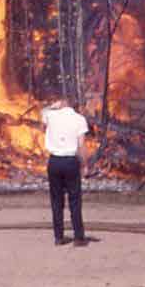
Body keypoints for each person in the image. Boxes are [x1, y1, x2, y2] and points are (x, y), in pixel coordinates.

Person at [42, 96, 90, 246]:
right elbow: (81, 145)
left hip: (54, 161)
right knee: (74, 200)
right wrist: (84, 164)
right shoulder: (79, 119)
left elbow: (41, 114)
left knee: (56, 200)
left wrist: (52, 106)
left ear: (62, 104)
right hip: (70, 161)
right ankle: (78, 237)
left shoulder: (51, 116)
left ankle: (58, 237)